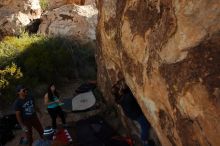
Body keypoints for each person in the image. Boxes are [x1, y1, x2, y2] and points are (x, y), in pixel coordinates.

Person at [111, 80, 151, 146]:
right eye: (119, 87)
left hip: (132, 114)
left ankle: (145, 140)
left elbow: (126, 93)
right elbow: (131, 94)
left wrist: (124, 89)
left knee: (144, 124)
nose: (121, 87)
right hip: (137, 114)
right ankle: (144, 141)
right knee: (145, 126)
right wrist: (126, 88)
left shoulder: (119, 98)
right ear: (119, 92)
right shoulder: (127, 98)